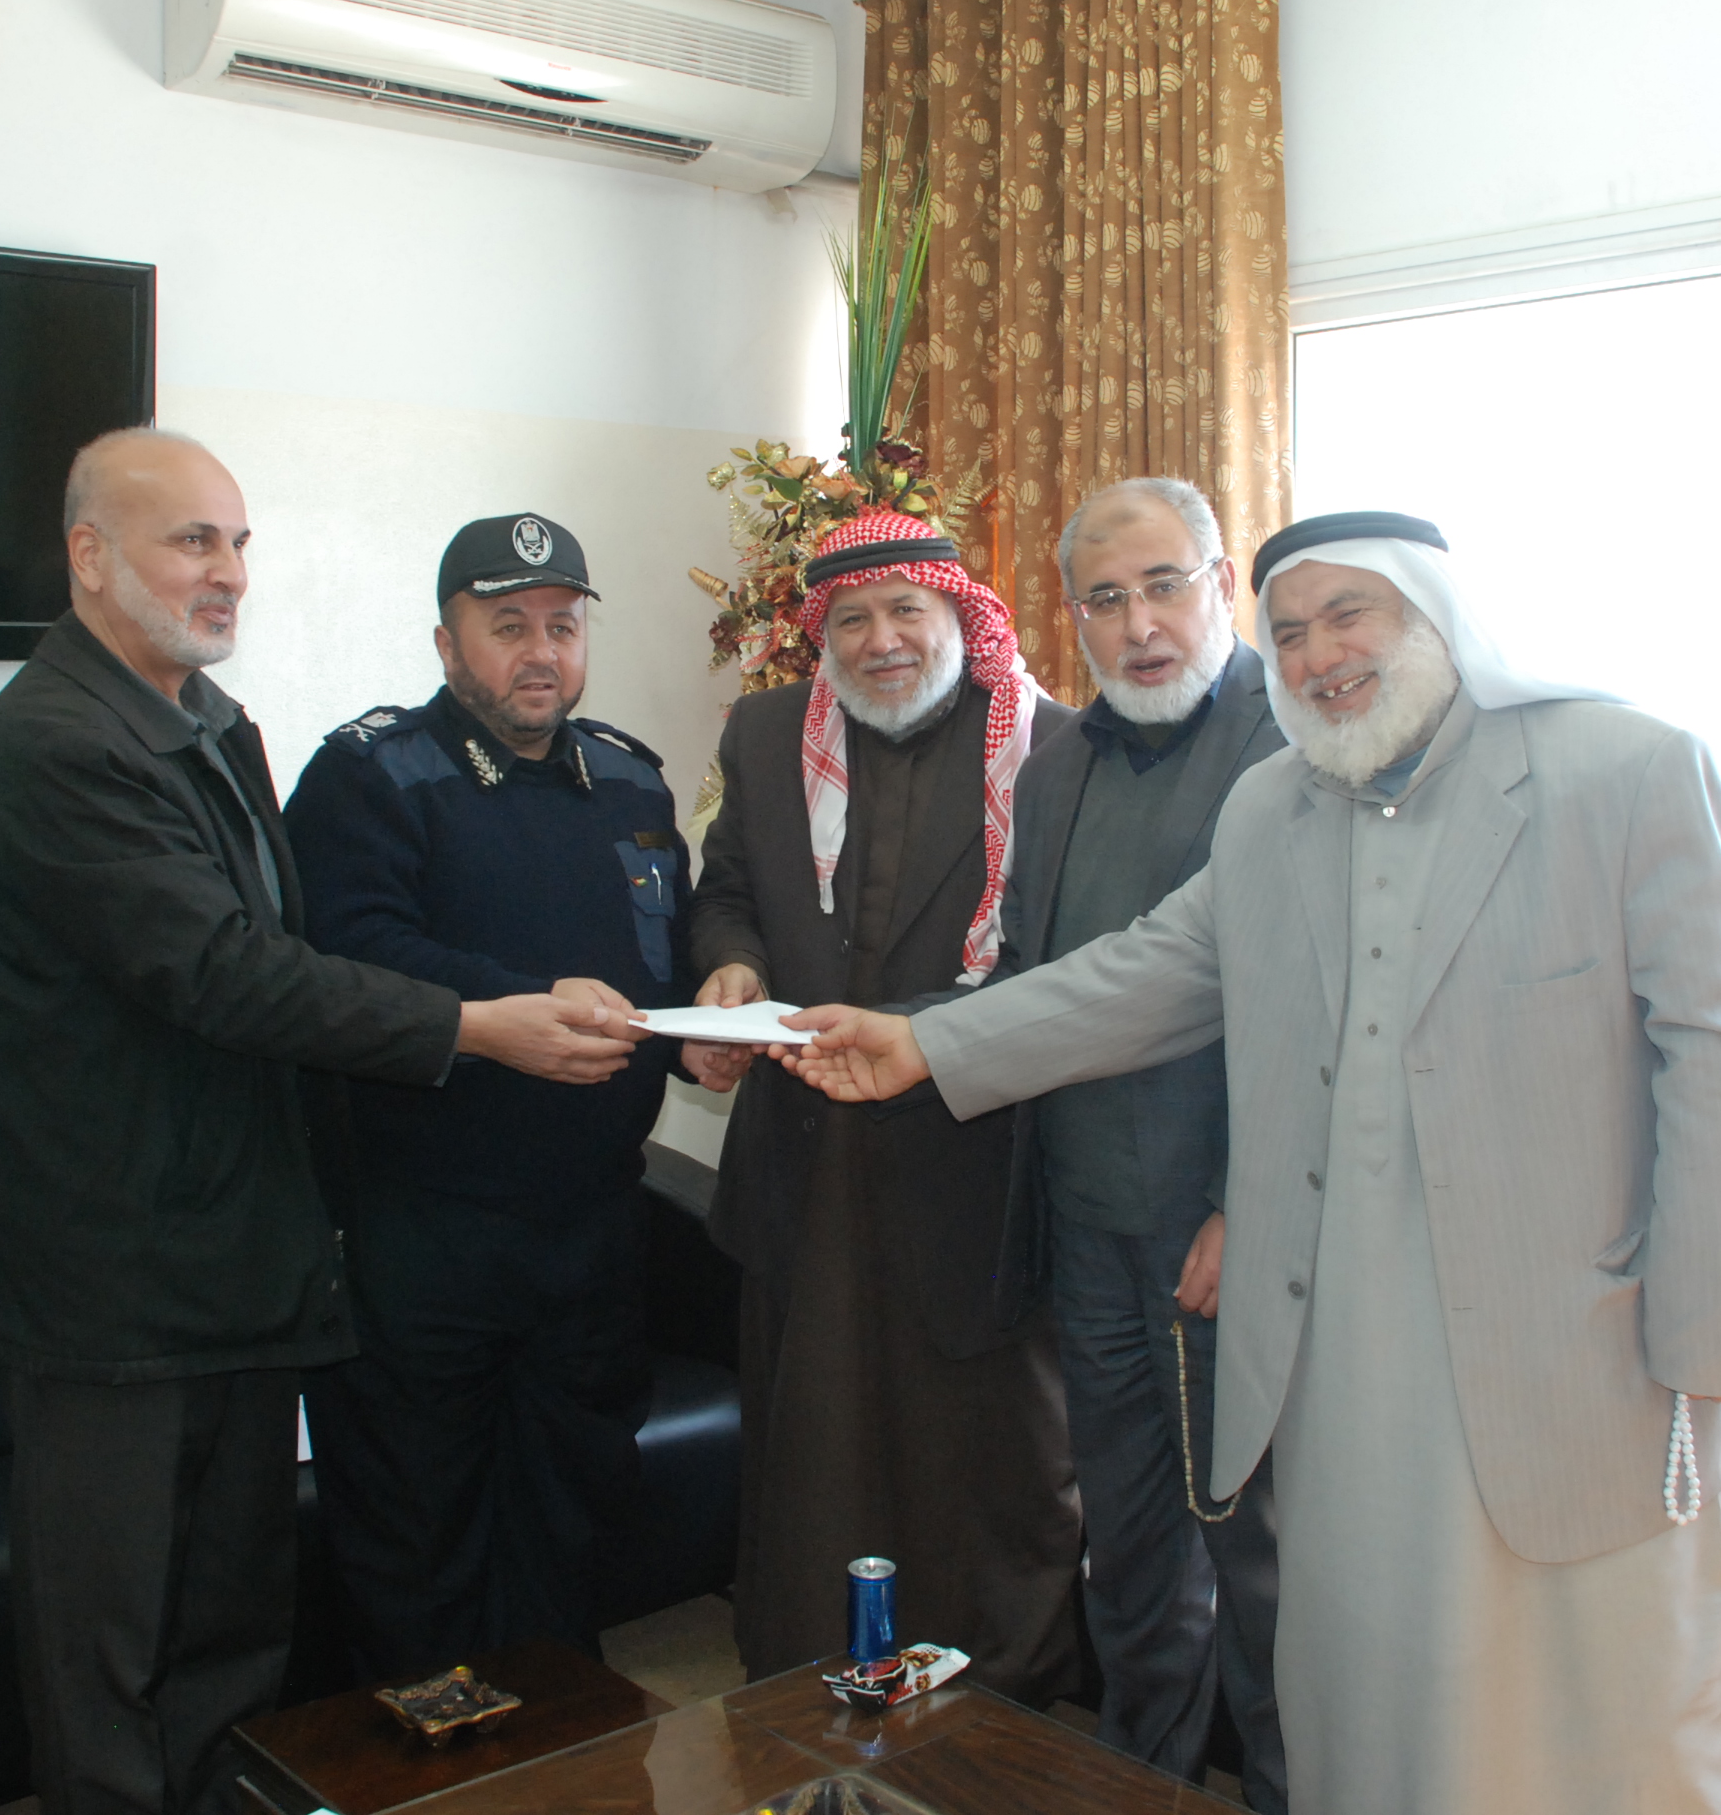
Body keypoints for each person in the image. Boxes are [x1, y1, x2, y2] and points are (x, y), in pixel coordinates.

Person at [777, 511, 1721, 1815]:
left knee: (1595, 1713)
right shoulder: (1274, 809)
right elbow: (1144, 973)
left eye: (1349, 616)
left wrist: (1713, 1348)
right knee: (1373, 1697)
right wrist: (926, 1044)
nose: (1318, 656)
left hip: (1581, 1358)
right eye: (1295, 631)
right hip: (1348, 1359)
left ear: (1436, 614)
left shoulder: (1625, 768)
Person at [0, 433, 637, 1815]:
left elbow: (278, 959)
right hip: (111, 1275)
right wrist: (475, 1025)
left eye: (239, 542)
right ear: (89, 556)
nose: (228, 573)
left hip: (243, 1253)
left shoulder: (206, 721)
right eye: (191, 541)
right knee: (111, 1648)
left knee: (231, 1625)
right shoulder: (57, 740)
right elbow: (226, 973)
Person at [283, 513, 693, 1677]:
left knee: (573, 1510)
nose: (540, 653)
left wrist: (704, 1027)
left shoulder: (629, 779)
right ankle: (428, 1760)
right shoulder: (371, 775)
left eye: (561, 627)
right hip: (422, 1229)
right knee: (415, 1531)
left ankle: (560, 1750)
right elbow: (347, 953)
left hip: (593, 1228)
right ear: (446, 642)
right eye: (507, 626)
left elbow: (662, 957)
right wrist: (516, 1008)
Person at [686, 507, 1083, 1700]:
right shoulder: (765, 732)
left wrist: (927, 1041)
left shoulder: (1050, 746)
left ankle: (992, 1702)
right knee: (812, 1452)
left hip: (970, 1161)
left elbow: (1065, 959)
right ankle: (805, 1678)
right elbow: (727, 890)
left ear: (958, 613)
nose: (881, 641)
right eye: (851, 619)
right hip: (805, 1169)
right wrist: (730, 968)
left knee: (987, 1460)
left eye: (906, 609)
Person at [1000, 478, 1288, 1809]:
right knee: (1128, 1560)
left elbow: (1313, 1009)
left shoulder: (1290, 746)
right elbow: (1034, 984)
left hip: (1222, 1240)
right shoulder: (1057, 761)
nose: (1139, 626)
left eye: (1166, 586)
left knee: (1262, 1575)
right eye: (1104, 600)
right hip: (1090, 1234)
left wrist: (1247, 1201)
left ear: (1221, 584)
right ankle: (1145, 1786)